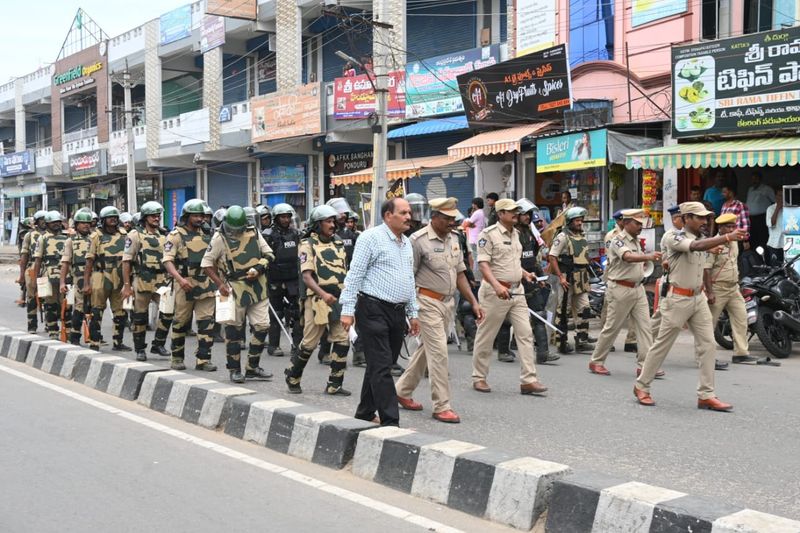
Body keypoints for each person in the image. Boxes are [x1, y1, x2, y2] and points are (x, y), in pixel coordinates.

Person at [634, 201, 746, 411]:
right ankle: (642, 385)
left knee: (708, 345)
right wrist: (727, 236)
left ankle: (706, 394)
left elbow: (704, 254)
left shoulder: (703, 239)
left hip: (698, 298)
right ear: (686, 219)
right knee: (662, 345)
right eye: (700, 217)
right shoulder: (674, 236)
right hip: (677, 298)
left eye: (706, 217)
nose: (704, 221)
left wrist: (718, 243)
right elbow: (694, 247)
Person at [395, 198, 484, 424]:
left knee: (427, 350)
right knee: (439, 354)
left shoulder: (455, 239)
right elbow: (407, 276)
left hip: (447, 303)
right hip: (425, 302)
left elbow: (461, 273)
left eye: (454, 218)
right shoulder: (417, 241)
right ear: (434, 217)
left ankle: (402, 390)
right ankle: (442, 405)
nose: (451, 222)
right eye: (446, 219)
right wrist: (410, 310)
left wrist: (473, 302)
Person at [340, 198, 420, 427]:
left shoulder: (406, 243)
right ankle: (390, 421)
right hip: (372, 308)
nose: (408, 217)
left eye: (409, 212)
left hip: (397, 312)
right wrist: (347, 310)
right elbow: (354, 275)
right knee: (384, 366)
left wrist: (413, 313)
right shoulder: (370, 238)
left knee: (380, 364)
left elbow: (408, 279)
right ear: (388, 216)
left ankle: (365, 412)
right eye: (403, 212)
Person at [471, 199, 549, 396]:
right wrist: (496, 285)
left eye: (517, 211)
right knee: (486, 336)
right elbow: (484, 265)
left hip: (517, 291)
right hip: (495, 293)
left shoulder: (517, 234)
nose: (516, 214)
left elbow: (512, 262)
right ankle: (479, 377)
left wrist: (525, 274)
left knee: (525, 333)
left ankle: (529, 380)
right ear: (500, 214)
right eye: (511, 211)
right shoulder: (488, 235)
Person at [284, 205, 351, 396]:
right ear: (317, 224)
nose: (332, 225)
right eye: (328, 222)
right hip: (317, 301)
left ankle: (334, 384)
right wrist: (323, 294)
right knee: (309, 343)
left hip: (338, 299)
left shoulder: (338, 243)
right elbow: (307, 277)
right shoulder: (307, 244)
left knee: (342, 340)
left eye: (333, 221)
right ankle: (293, 377)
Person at [203, 205, 274, 383]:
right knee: (233, 331)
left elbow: (269, 254)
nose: (235, 232)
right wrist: (220, 285)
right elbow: (206, 264)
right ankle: (234, 369)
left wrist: (259, 267)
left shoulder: (253, 232)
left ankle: (252, 366)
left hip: (257, 286)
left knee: (262, 326)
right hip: (232, 287)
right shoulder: (219, 237)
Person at [588, 209, 660, 376]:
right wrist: (648, 257)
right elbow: (627, 257)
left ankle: (646, 366)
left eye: (641, 224)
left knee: (645, 328)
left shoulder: (636, 241)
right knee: (612, 327)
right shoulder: (617, 240)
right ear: (626, 223)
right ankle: (596, 361)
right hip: (620, 288)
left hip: (637, 288)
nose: (640, 227)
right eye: (637, 223)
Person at [162, 199, 218, 371]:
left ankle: (203, 359)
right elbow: (167, 260)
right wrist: (180, 280)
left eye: (201, 215)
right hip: (185, 283)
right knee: (180, 322)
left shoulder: (209, 234)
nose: (200, 219)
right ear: (186, 217)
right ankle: (177, 358)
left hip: (206, 283)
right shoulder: (175, 235)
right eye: (195, 215)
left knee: (206, 323)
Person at [121, 201, 173, 362]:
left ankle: (158, 343)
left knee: (168, 311)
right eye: (153, 215)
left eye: (158, 215)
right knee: (140, 316)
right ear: (145, 217)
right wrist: (127, 285)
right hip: (142, 278)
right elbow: (126, 261)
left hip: (162, 279)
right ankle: (140, 349)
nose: (157, 218)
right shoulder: (135, 235)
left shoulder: (164, 235)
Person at [705, 213, 758, 365]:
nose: (732, 229)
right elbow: (706, 270)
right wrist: (709, 291)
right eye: (728, 226)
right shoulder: (713, 243)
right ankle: (704, 357)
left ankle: (741, 353)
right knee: (708, 324)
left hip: (733, 288)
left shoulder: (734, 242)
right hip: (717, 288)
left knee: (741, 319)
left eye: (733, 226)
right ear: (720, 228)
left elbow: (734, 263)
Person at [516, 199, 559, 364]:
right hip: (513, 282)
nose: (528, 217)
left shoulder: (531, 233)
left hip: (531, 280)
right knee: (506, 319)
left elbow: (533, 258)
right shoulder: (512, 234)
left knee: (539, 314)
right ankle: (504, 348)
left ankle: (543, 353)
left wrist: (541, 277)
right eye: (525, 214)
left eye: (529, 214)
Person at [548, 207, 595, 353]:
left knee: (585, 308)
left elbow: (584, 256)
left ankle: (581, 339)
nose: (580, 223)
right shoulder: (562, 236)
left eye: (581, 220)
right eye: (577, 220)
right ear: (569, 222)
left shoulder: (582, 236)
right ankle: (560, 340)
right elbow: (552, 256)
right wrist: (561, 277)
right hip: (567, 276)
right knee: (563, 310)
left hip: (582, 277)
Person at [83, 206, 130, 351]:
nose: (113, 220)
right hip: (101, 275)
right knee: (97, 310)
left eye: (115, 217)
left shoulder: (124, 234)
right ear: (103, 220)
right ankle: (95, 341)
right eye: (110, 217)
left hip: (119, 276)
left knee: (120, 311)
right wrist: (86, 283)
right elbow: (89, 261)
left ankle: (118, 341)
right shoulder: (96, 236)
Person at [263, 203, 303, 357]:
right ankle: (273, 345)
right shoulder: (268, 235)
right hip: (275, 280)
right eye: (283, 217)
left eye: (288, 217)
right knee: (276, 314)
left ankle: (297, 345)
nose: (286, 220)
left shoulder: (296, 234)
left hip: (293, 279)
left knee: (297, 313)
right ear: (276, 218)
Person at [600, 210, 638, 352]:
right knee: (609, 309)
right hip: (615, 274)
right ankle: (607, 341)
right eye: (624, 220)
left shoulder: (633, 235)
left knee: (635, 309)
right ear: (619, 221)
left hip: (632, 274)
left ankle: (631, 340)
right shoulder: (613, 236)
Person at [33, 211, 71, 340]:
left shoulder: (67, 238)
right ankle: (53, 330)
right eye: (53, 222)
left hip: (65, 274)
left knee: (67, 304)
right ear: (47, 224)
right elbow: (38, 260)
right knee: (50, 304)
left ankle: (68, 330)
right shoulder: (42, 238)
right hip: (47, 273)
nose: (56, 224)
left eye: (58, 222)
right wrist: (36, 278)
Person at [60, 209, 93, 345]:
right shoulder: (70, 241)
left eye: (88, 223)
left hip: (95, 276)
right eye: (82, 223)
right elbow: (66, 262)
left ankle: (94, 336)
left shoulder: (95, 238)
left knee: (95, 307)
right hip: (78, 276)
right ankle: (75, 336)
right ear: (77, 225)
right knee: (79, 307)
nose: (86, 225)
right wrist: (62, 282)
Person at [18, 210, 47, 333]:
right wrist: (21, 276)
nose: (45, 222)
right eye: (42, 220)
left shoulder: (52, 235)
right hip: (32, 267)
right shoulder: (29, 236)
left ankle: (49, 323)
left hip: (46, 268)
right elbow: (24, 256)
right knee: (31, 297)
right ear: (36, 222)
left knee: (47, 297)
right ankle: (32, 325)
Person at [745, 172, 775, 251]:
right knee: (753, 239)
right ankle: (755, 259)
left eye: (756, 179)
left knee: (762, 239)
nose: (754, 181)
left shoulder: (767, 189)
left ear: (760, 179)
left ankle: (764, 260)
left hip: (762, 218)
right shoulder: (750, 189)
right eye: (752, 179)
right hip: (751, 219)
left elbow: (774, 202)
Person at [721, 182, 750, 250]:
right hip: (725, 238)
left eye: (724, 192)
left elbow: (746, 224)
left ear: (731, 193)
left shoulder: (740, 205)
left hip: (737, 238)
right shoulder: (724, 205)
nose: (722, 194)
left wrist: (745, 240)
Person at [463, 197, 486, 269]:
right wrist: (471, 225)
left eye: (473, 204)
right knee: (478, 258)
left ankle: (476, 276)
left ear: (475, 205)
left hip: (474, 239)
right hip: (479, 238)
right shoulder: (482, 212)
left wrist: (470, 224)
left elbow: (465, 225)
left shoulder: (477, 213)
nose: (472, 206)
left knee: (475, 258)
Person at [765, 189, 784, 266]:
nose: (781, 197)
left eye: (783, 196)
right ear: (776, 197)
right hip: (774, 244)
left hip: (787, 243)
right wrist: (777, 208)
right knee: (775, 269)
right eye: (779, 195)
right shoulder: (770, 209)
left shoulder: (790, 208)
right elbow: (771, 224)